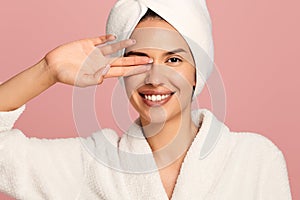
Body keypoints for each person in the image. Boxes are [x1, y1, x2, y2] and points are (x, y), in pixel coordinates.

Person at [0, 0, 292, 199]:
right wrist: (46, 70)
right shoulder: (91, 163)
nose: (154, 77)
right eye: (139, 60)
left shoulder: (254, 159)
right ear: (120, 70)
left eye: (174, 59)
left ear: (196, 73)